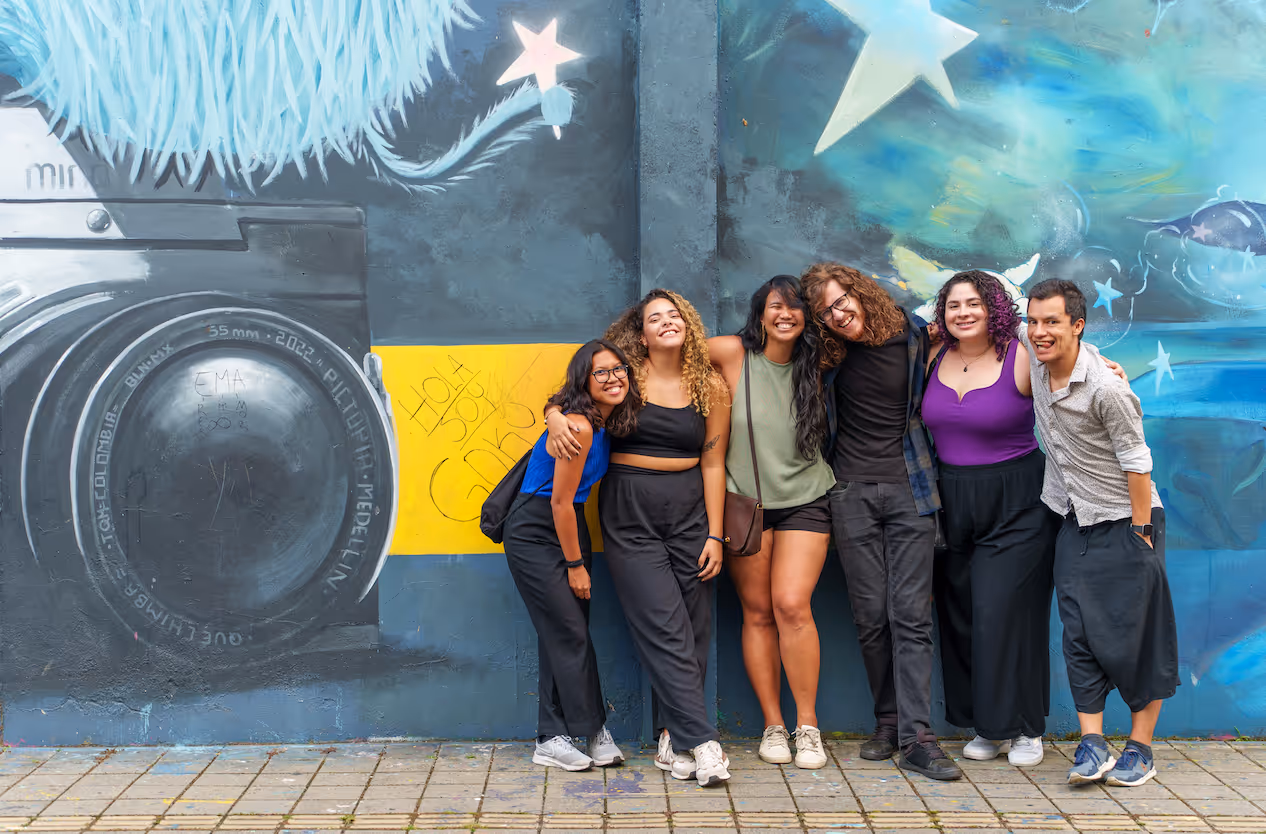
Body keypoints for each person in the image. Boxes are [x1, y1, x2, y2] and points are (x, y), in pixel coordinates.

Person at [544, 290, 733, 787]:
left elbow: (714, 462)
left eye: (675, 315)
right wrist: (554, 417)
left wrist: (716, 534)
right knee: (663, 625)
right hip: (630, 509)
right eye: (655, 318)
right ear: (641, 334)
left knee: (694, 626)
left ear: (688, 325)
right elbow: (570, 398)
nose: (667, 322)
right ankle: (705, 743)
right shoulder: (627, 378)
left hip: (691, 508)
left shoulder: (709, 384)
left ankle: (672, 739)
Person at [799, 262, 962, 781]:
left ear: (860, 292)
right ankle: (888, 722)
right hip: (849, 492)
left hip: (912, 490)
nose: (837, 314)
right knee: (871, 616)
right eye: (825, 311)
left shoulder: (915, 335)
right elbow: (752, 344)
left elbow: (995, 337)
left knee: (910, 616)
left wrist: (1095, 360)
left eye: (841, 300)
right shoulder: (824, 351)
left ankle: (919, 738)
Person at [1024, 279, 1179, 788]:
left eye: (1052, 322)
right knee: (1079, 634)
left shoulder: (1106, 389)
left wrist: (1141, 533)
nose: (1040, 331)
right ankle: (1092, 745)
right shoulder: (1037, 353)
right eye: (1033, 321)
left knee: (1137, 638)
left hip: (1127, 520)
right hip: (1075, 519)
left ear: (1077, 325)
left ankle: (1141, 749)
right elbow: (991, 308)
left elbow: (1138, 461)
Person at [920, 271, 1058, 767]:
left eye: (974, 303)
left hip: (1017, 500)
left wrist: (1103, 366)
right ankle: (986, 725)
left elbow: (1069, 361)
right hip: (950, 499)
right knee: (960, 614)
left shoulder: (1021, 354)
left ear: (994, 308)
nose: (963, 313)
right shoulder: (933, 354)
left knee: (1007, 613)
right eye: (953, 305)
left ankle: (1025, 728)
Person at [706, 275, 835, 769]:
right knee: (757, 612)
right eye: (775, 306)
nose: (785, 314)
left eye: (795, 306)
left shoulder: (819, 359)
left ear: (807, 317)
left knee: (792, 605)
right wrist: (560, 408)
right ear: (759, 313)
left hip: (807, 498)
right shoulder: (732, 353)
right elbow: (651, 350)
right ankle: (773, 725)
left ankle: (808, 727)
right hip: (746, 506)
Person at [503, 339, 640, 771]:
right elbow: (559, 502)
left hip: (570, 524)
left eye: (619, 369)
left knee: (562, 632)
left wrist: (553, 411)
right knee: (570, 632)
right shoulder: (579, 427)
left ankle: (551, 737)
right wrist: (576, 565)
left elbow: (556, 402)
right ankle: (594, 730)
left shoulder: (599, 421)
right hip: (537, 528)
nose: (614, 378)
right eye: (602, 372)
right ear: (585, 380)